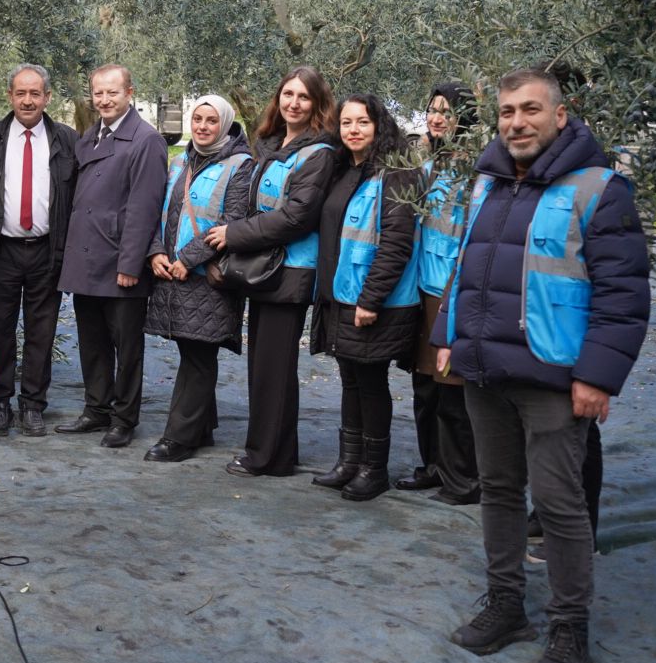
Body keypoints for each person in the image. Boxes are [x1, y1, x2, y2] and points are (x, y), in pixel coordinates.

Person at [435, 68, 648, 663]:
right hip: (486, 367)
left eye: (530, 109)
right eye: (507, 112)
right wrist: (448, 336)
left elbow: (623, 295)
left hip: (554, 376)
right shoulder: (486, 184)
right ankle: (506, 605)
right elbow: (465, 268)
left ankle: (569, 628)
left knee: (558, 504)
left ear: (560, 115)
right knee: (499, 491)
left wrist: (597, 377)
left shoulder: (599, 189)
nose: (517, 122)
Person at [204, 65, 337, 478]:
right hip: (264, 268)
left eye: (303, 96)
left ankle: (268, 457)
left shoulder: (320, 153)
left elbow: (296, 218)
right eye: (288, 94)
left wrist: (234, 235)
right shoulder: (273, 144)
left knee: (274, 369)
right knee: (263, 366)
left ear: (317, 104)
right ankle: (273, 450)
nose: (294, 103)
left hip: (290, 271)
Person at [306, 94, 423, 501]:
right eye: (346, 122)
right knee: (350, 379)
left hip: (373, 302)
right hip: (340, 296)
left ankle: (374, 470)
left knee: (371, 383)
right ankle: (349, 462)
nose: (353, 130)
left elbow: (396, 244)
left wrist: (371, 299)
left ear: (379, 126)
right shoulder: (344, 170)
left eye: (363, 122)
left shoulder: (397, 174)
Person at [56, 64, 169, 448]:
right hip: (86, 260)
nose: (104, 100)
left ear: (129, 93)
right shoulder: (90, 138)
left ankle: (124, 418)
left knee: (127, 348)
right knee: (92, 343)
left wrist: (130, 264)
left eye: (112, 93)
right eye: (98, 93)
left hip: (120, 262)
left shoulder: (146, 140)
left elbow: (144, 208)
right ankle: (96, 409)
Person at [0, 64, 79, 437]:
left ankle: (32, 405)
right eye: (20, 93)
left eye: (35, 93)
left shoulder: (67, 140)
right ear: (10, 96)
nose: (27, 101)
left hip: (47, 251)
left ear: (47, 97)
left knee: (40, 332)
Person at [143, 95, 254, 463]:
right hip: (172, 273)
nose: (203, 127)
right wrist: (155, 252)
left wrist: (188, 260)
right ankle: (201, 428)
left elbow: (232, 220)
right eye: (197, 119)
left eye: (211, 120)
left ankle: (179, 438)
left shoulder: (241, 165)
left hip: (208, 278)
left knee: (199, 356)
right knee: (192, 350)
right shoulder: (180, 161)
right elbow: (158, 211)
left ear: (225, 124)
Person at [398, 82, 480, 504]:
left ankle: (462, 479)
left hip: (453, 291)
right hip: (421, 289)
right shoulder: (429, 165)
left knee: (453, 392)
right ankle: (432, 466)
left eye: (447, 111)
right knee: (425, 388)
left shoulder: (476, 173)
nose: (436, 117)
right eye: (432, 109)